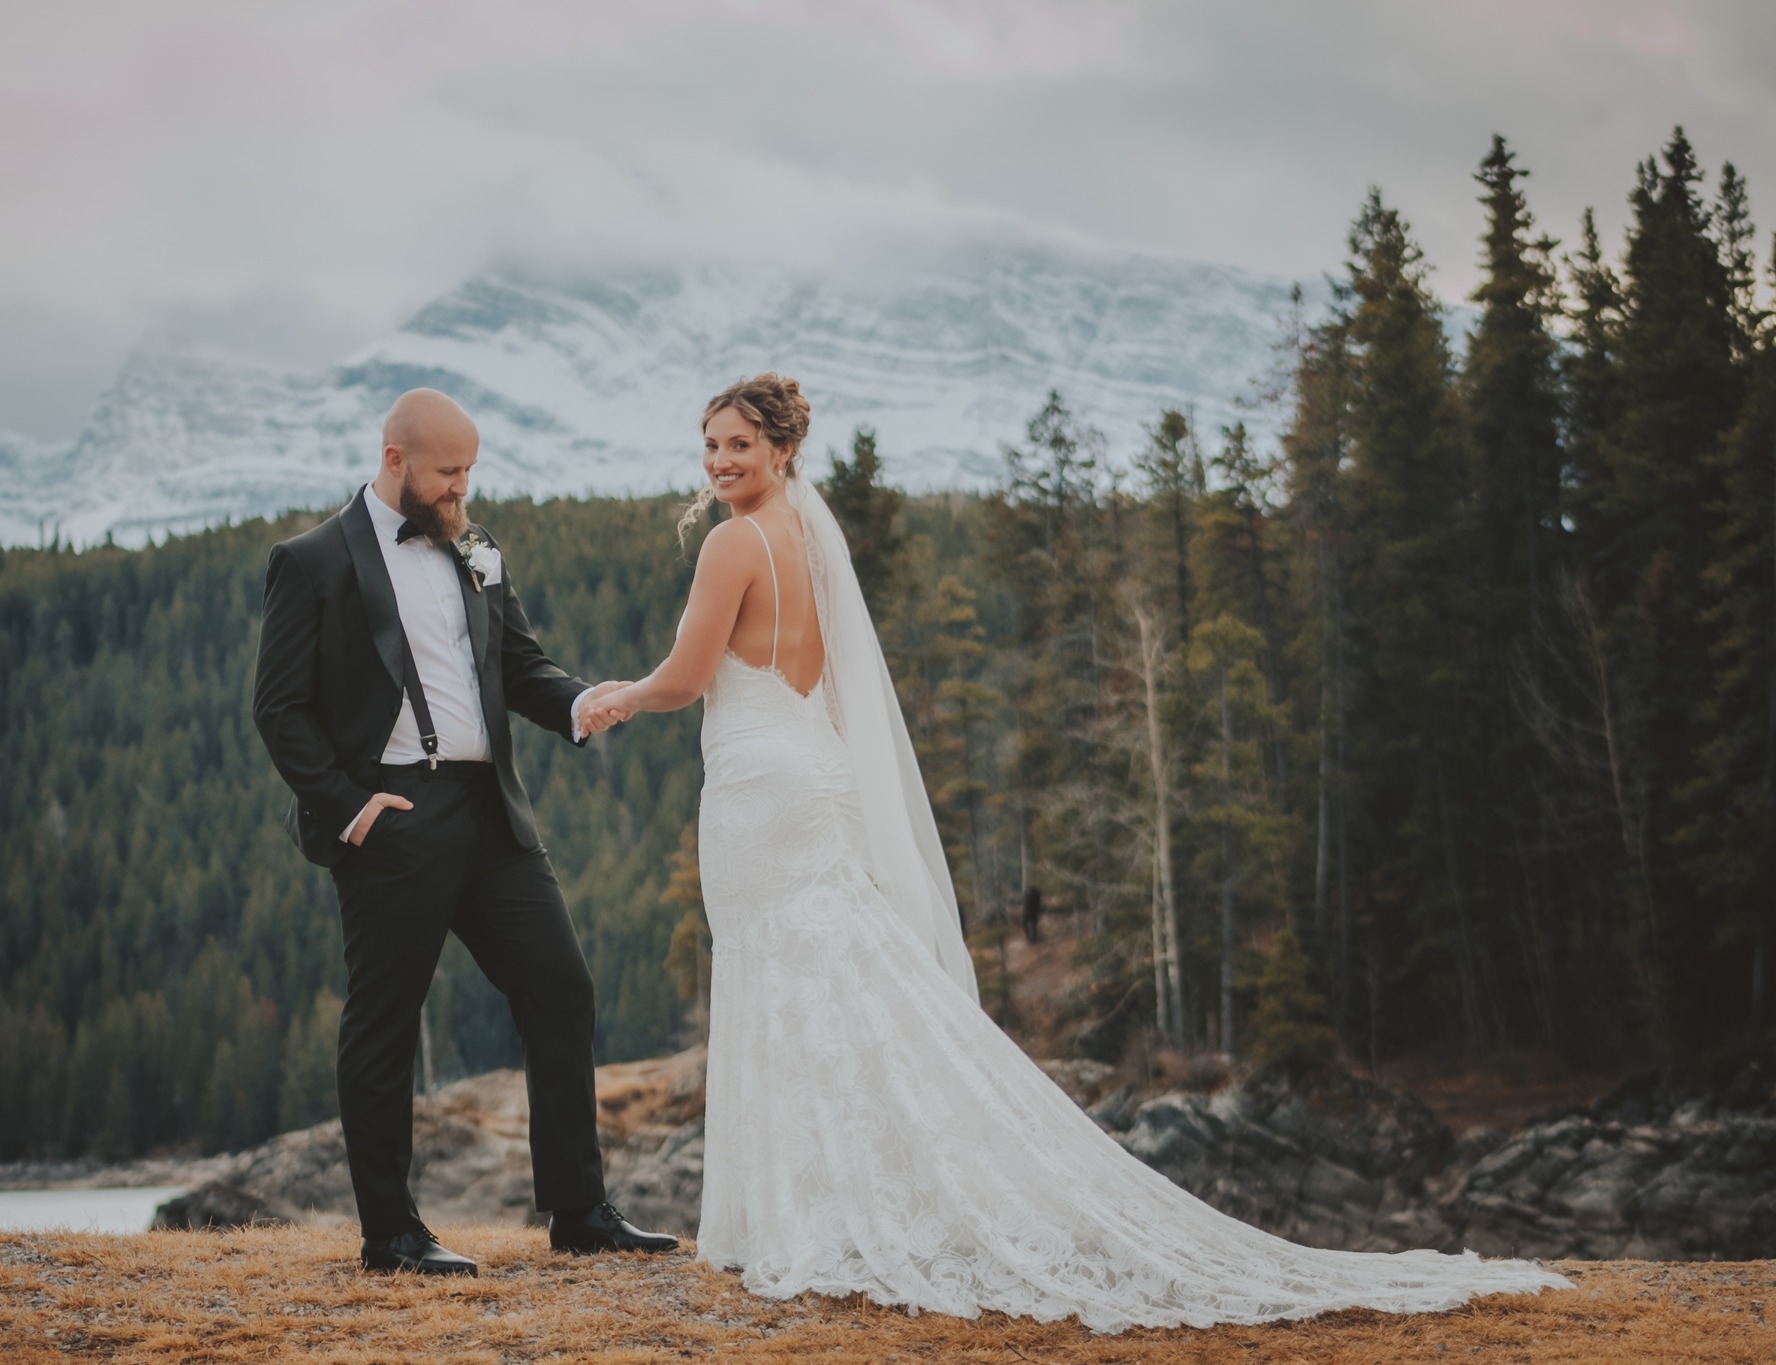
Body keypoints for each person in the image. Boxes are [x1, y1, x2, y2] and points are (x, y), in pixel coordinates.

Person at [577, 374, 1569, 1331]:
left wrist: (614, 694)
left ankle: (792, 1215)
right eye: (709, 445)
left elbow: (688, 674)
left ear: (782, 450)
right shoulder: (806, 537)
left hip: (759, 784)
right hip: (817, 772)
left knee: (784, 980)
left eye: (738, 445)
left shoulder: (730, 547)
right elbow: (827, 685)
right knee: (850, 982)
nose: (718, 460)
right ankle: (853, 1196)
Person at [252, 388, 677, 1276]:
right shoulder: (312, 560)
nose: (462, 489)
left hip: (491, 810)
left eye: (471, 470)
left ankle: (578, 1211)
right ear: (395, 458)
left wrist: (576, 702)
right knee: (384, 1022)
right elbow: (279, 708)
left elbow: (518, 663)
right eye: (449, 472)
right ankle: (392, 1233)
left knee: (561, 987)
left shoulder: (476, 547)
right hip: (391, 816)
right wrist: (349, 806)